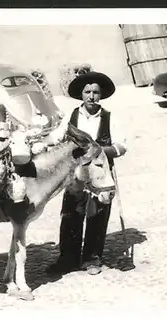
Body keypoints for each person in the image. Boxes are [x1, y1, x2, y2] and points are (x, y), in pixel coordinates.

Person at [45, 70, 127, 275]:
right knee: (71, 215)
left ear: (101, 95)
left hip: (99, 176)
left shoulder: (109, 118)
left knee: (97, 216)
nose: (91, 96)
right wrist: (42, 143)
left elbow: (122, 145)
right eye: (87, 91)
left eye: (96, 92)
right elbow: (57, 136)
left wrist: (101, 152)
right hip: (77, 177)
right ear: (81, 95)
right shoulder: (72, 117)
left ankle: (92, 259)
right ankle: (68, 259)